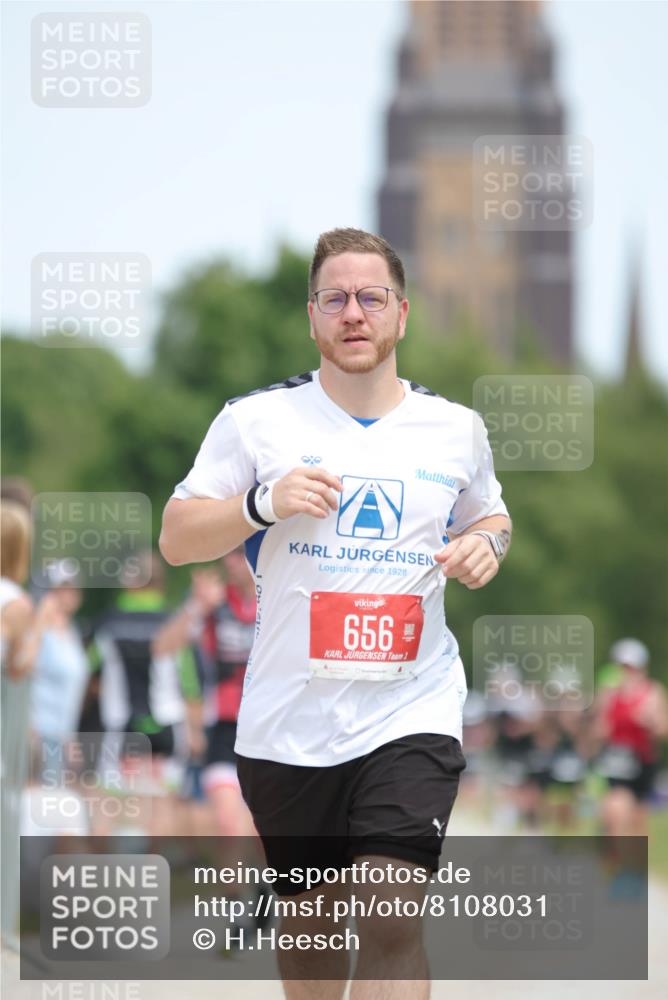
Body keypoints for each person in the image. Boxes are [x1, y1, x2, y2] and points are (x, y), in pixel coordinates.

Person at [160, 227, 512, 998]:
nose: (355, 313)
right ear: (312, 318)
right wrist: (260, 503)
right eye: (336, 299)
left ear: (403, 314)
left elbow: (489, 516)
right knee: (313, 924)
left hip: (410, 707)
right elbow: (177, 536)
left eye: (372, 298)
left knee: (391, 912)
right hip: (289, 722)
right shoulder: (257, 423)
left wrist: (490, 544)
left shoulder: (455, 429)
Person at [595, 638, 668, 835]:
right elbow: (599, 730)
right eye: (622, 666)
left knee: (638, 818)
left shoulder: (653, 692)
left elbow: (663, 730)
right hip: (617, 757)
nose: (626, 672)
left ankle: (633, 861)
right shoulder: (608, 693)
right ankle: (615, 854)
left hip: (643, 758)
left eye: (630, 667)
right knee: (617, 805)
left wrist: (648, 721)